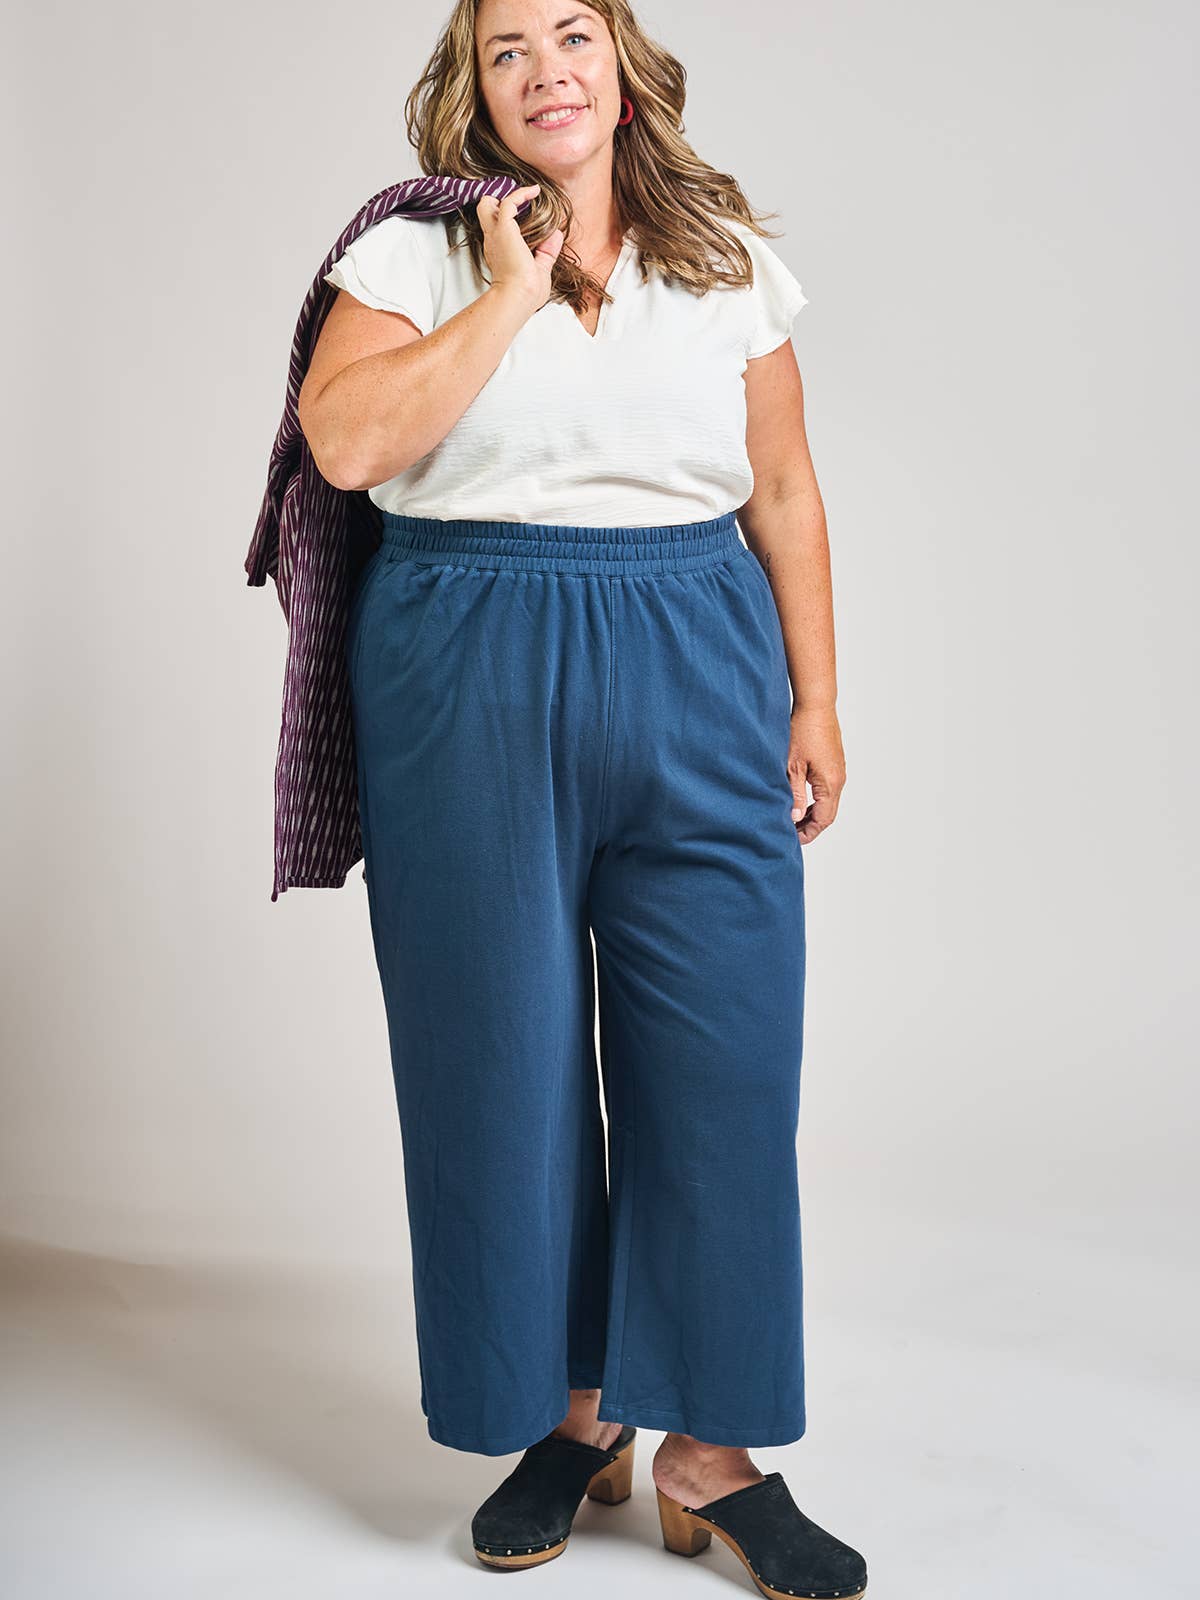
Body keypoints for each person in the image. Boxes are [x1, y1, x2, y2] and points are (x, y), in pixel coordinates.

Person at [298, 2, 866, 1593]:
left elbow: (784, 485)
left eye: (574, 34)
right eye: (508, 48)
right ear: (473, 87)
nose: (546, 67)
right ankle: (573, 1414)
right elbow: (345, 444)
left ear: (621, 68)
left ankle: (711, 1450)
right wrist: (511, 291)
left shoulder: (725, 256)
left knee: (727, 1058)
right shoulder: (413, 252)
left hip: (698, 651)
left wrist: (818, 695)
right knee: (499, 1059)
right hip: (468, 658)